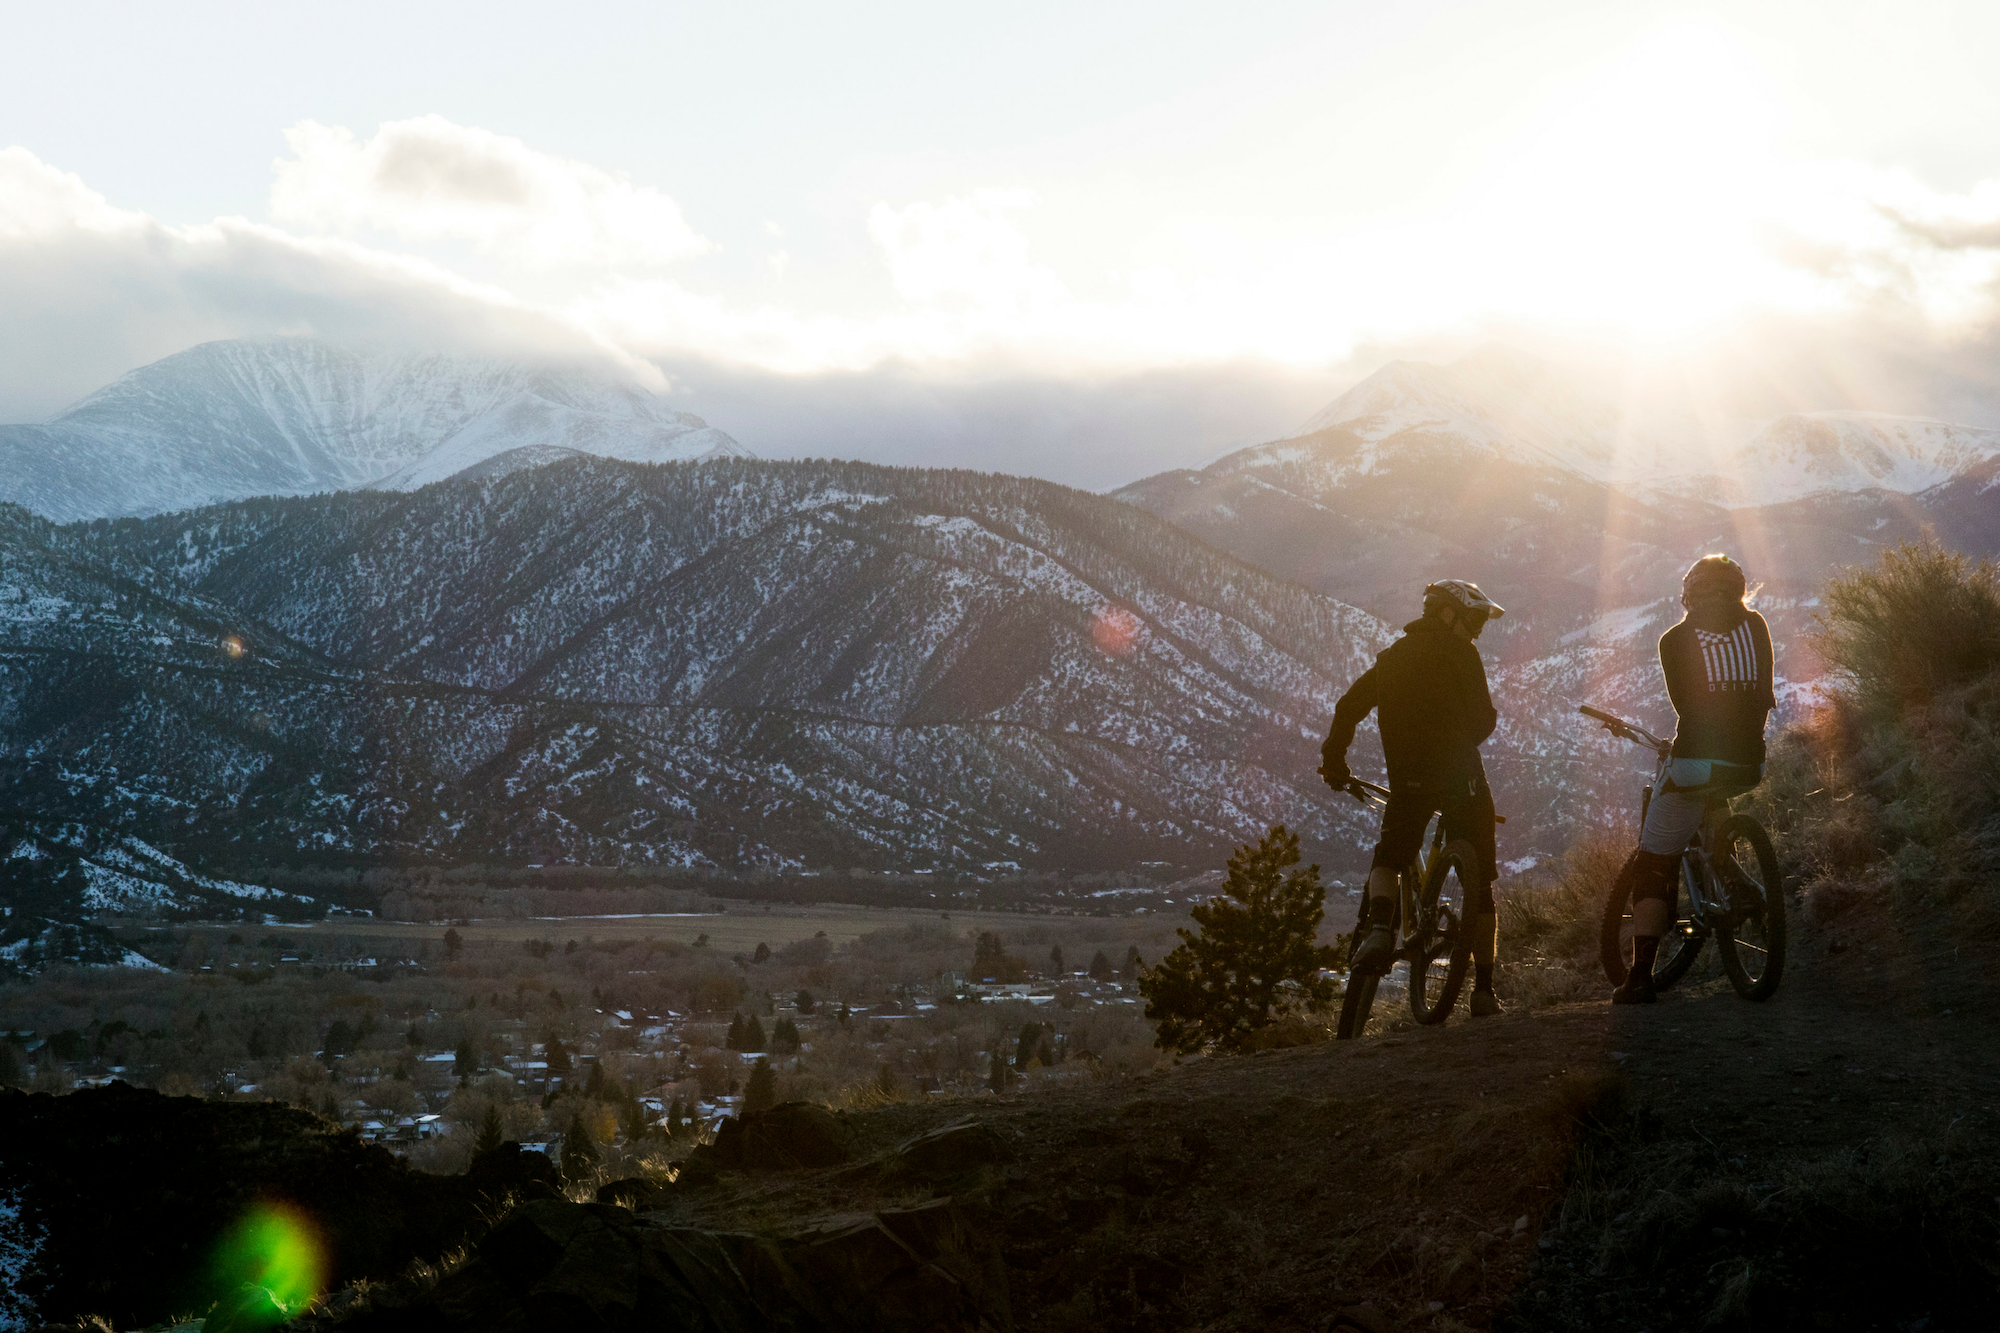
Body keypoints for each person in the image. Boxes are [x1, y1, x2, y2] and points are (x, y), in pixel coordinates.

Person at [1319, 579, 1506, 1017]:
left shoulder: (1390, 659)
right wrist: (1462, 742)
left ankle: (1381, 926)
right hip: (1462, 777)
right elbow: (1484, 719)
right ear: (1447, 614)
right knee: (1482, 888)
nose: (1477, 631)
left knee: (1389, 854)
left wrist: (1335, 762)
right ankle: (1482, 990)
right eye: (1474, 620)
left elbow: (1348, 706)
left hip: (1408, 779)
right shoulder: (1463, 653)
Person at [1612, 554, 1775, 1004]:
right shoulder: (1756, 625)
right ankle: (1734, 877)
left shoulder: (1675, 639)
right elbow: (1763, 693)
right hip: (1749, 762)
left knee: (1654, 862)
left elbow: (1685, 704)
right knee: (1713, 795)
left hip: (1696, 761)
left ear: (1689, 596)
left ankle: (1641, 977)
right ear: (1739, 589)